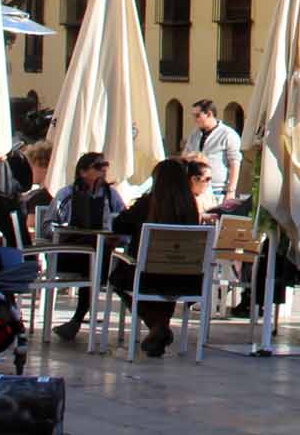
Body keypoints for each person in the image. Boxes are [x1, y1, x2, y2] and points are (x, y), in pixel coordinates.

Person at [109, 158, 205, 357]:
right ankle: (159, 328)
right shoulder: (190, 206)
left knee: (116, 279)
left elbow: (119, 224)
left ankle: (156, 324)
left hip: (148, 275)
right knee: (168, 273)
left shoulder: (148, 203)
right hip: (185, 278)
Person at [49, 151, 126, 343]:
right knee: (104, 264)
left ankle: (76, 320)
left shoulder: (111, 195)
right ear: (83, 172)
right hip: (70, 254)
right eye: (99, 167)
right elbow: (48, 226)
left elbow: (124, 223)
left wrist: (118, 238)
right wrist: (67, 231)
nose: (104, 171)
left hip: (99, 255)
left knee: (99, 259)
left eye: (105, 166)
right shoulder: (66, 194)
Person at [182, 101, 242, 200]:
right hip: (195, 188)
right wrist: (194, 157)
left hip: (217, 190)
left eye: (197, 116)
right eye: (193, 116)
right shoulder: (194, 133)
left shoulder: (228, 134)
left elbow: (235, 163)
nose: (195, 120)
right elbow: (184, 155)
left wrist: (231, 191)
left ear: (209, 114)